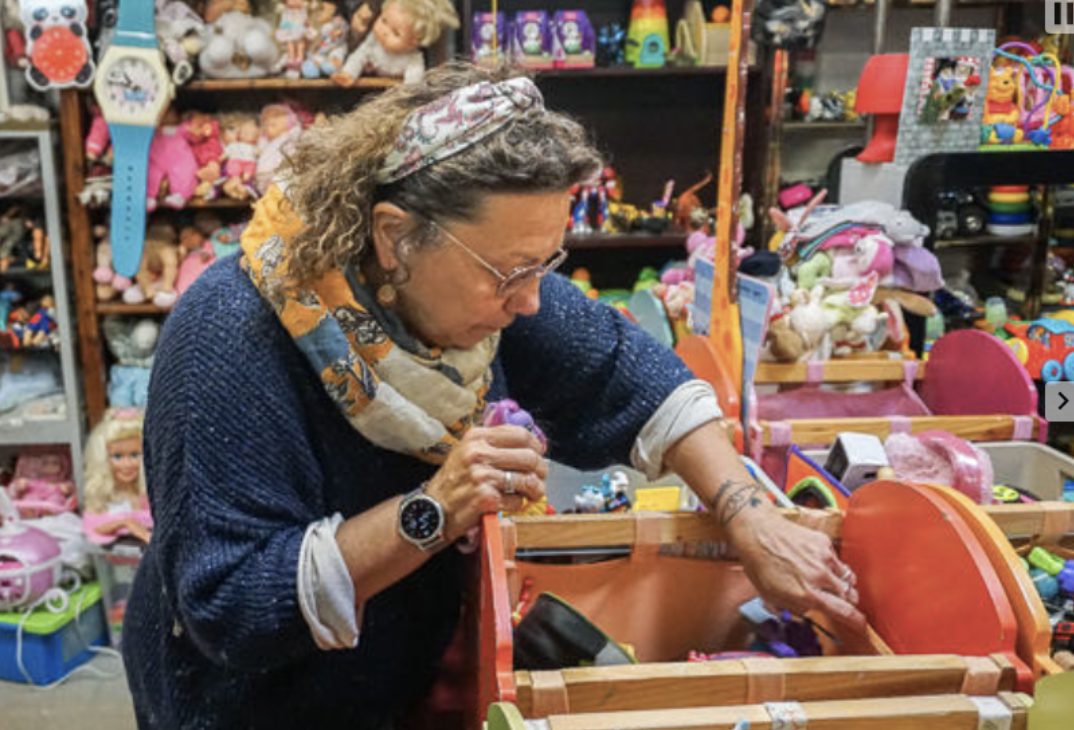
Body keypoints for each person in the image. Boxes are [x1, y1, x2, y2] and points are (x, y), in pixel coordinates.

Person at [123, 62, 864, 729]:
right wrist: (433, 510)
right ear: (394, 237)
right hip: (242, 706)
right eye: (511, 272)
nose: (532, 302)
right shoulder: (232, 335)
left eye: (546, 265)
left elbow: (638, 379)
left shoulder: (487, 295)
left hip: (389, 680)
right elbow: (234, 607)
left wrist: (749, 517)